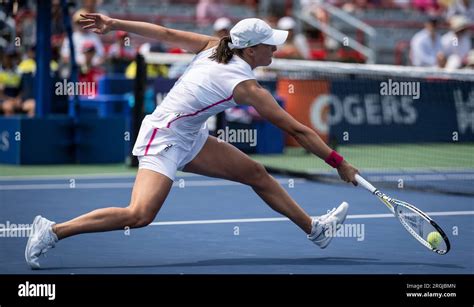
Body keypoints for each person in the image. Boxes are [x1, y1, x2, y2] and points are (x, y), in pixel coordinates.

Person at [25, 14, 359, 269]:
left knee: (256, 174)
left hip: (189, 135)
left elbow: (167, 33)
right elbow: (298, 131)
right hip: (164, 137)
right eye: (270, 43)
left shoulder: (217, 46)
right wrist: (339, 163)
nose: (276, 47)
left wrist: (114, 23)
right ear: (252, 50)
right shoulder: (245, 86)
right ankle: (52, 230)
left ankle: (315, 229)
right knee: (139, 215)